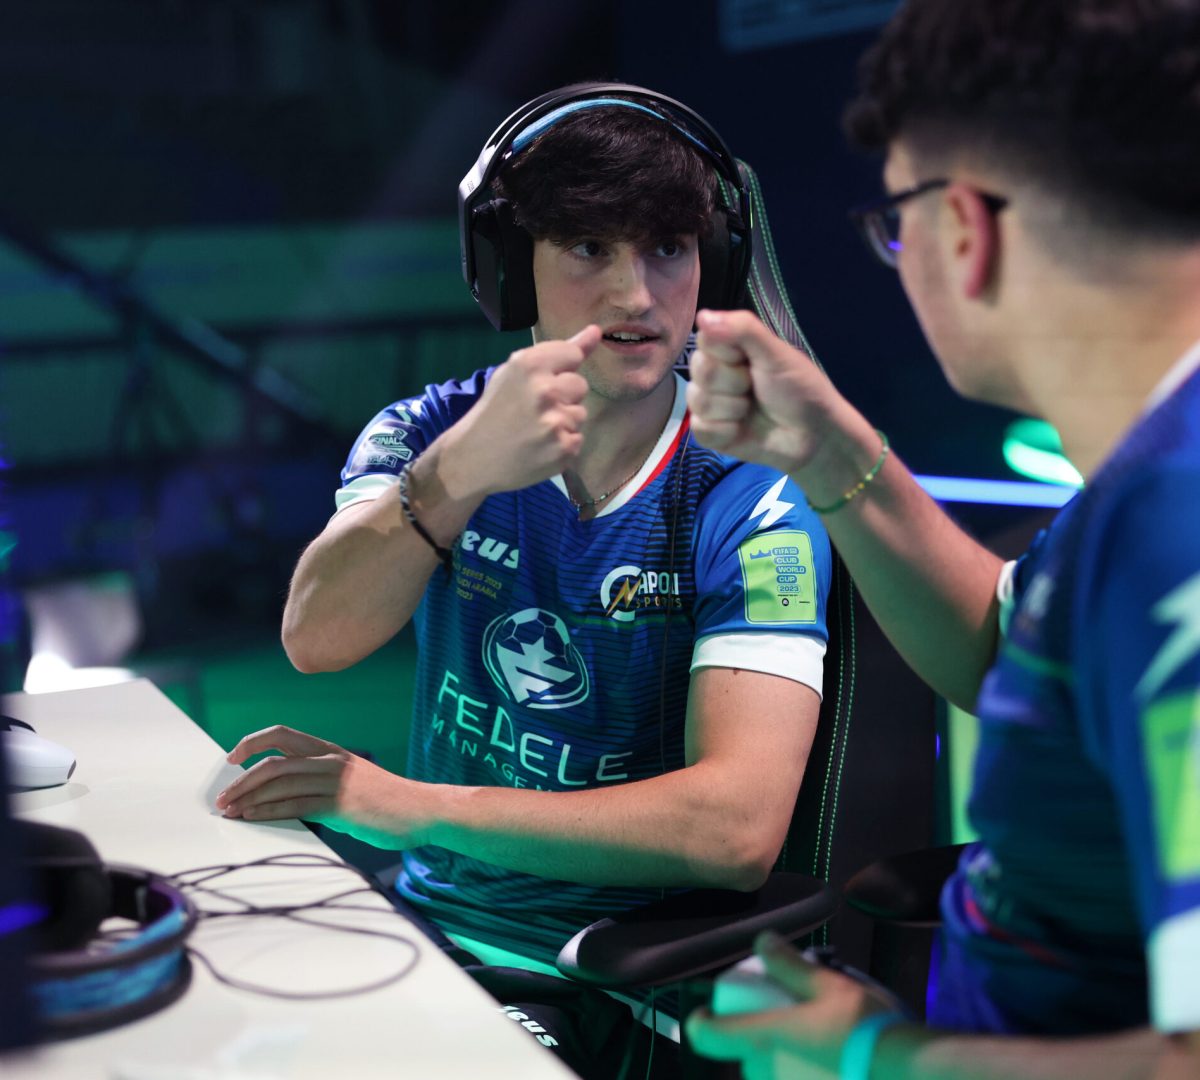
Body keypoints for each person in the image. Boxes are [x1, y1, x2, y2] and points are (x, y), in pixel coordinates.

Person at [214, 85, 831, 988]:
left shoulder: (756, 484)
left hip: (617, 976)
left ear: (716, 262)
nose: (636, 293)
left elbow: (734, 830)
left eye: (669, 248)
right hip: (431, 933)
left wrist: (410, 807)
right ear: (508, 265)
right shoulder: (428, 434)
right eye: (589, 247)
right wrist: (456, 476)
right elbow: (318, 639)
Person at [683, 1, 1200, 1077]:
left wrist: (879, 1050)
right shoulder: (1143, 490)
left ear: (965, 232)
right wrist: (831, 455)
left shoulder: (1172, 521)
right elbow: (1011, 650)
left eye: (901, 225)